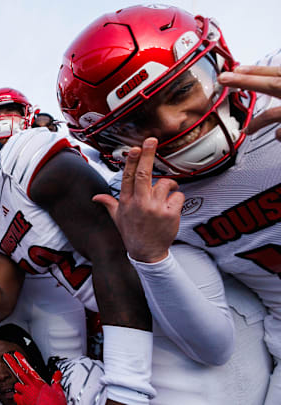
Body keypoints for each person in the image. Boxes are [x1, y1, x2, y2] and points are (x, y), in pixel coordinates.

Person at [57, 4, 281, 403]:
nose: (172, 122)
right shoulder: (150, 201)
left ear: (216, 60)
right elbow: (211, 346)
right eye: (133, 123)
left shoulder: (273, 85)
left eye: (180, 90)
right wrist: (149, 255)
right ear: (110, 146)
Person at [0, 130, 156, 405]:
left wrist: (125, 391)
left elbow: (110, 252)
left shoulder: (22, 160)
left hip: (144, 296)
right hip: (126, 310)